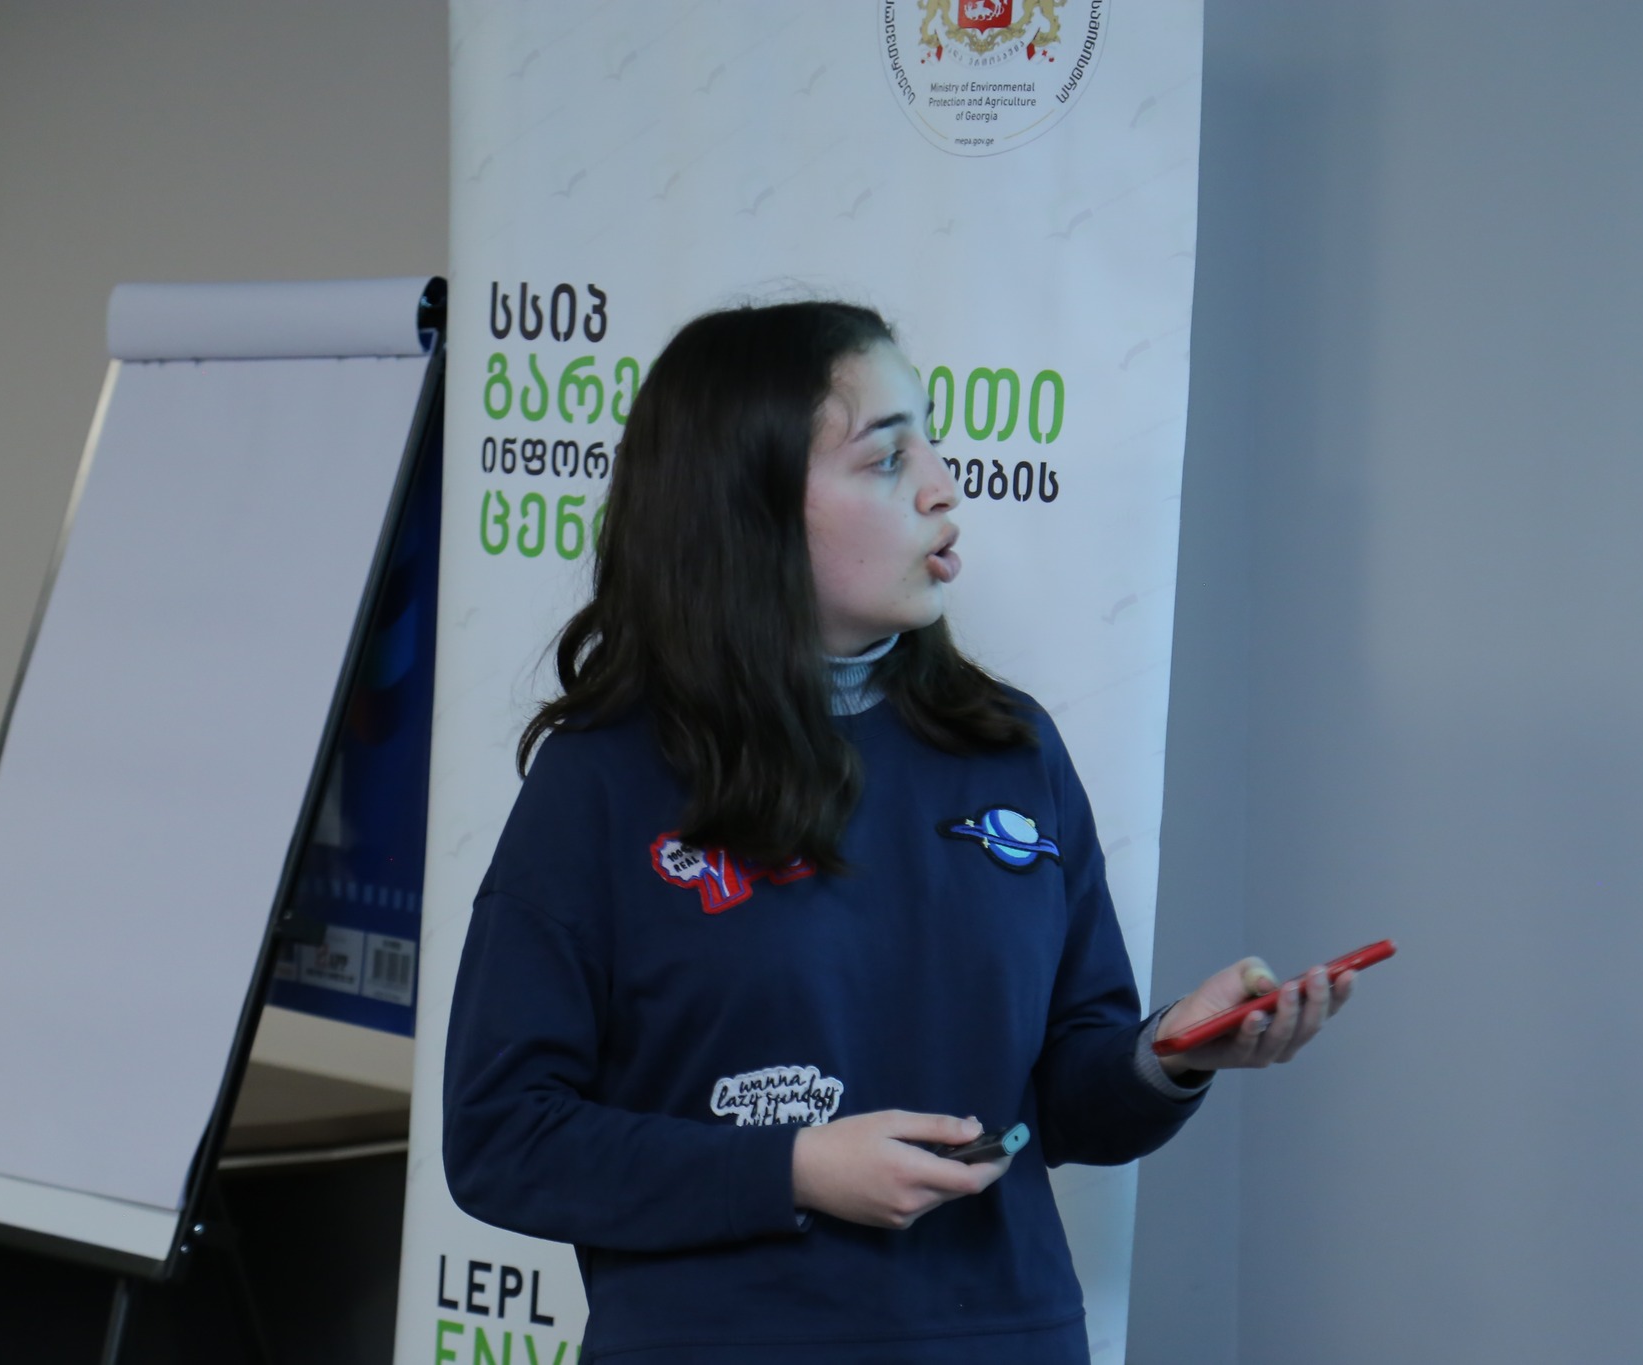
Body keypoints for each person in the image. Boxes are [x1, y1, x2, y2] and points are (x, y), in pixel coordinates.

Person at [443, 300, 1355, 1364]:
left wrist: (1167, 1054)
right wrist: (790, 1169)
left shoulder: (1012, 748)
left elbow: (1068, 1105)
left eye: (928, 443)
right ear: (749, 508)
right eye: (886, 460)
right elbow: (503, 1137)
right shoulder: (601, 778)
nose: (941, 485)